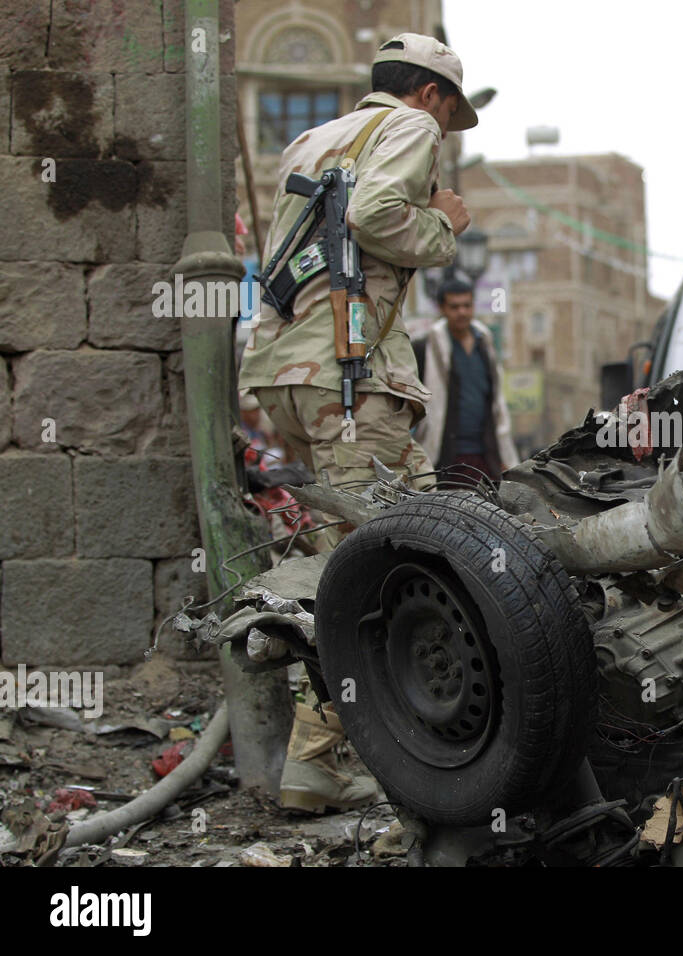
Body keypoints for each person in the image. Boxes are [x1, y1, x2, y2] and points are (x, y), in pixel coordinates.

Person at [237, 32, 477, 814]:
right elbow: (376, 213)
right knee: (363, 573)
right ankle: (312, 763)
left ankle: (392, 741)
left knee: (426, 531)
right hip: (349, 381)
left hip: (286, 375)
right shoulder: (411, 128)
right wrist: (444, 224)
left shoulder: (313, 138)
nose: (444, 133)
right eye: (449, 114)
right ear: (432, 96)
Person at [417, 279, 519, 483]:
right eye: (454, 307)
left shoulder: (485, 343)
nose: (462, 312)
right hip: (445, 454)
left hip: (485, 453)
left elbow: (496, 401)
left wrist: (505, 455)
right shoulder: (426, 346)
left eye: (467, 305)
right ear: (442, 309)